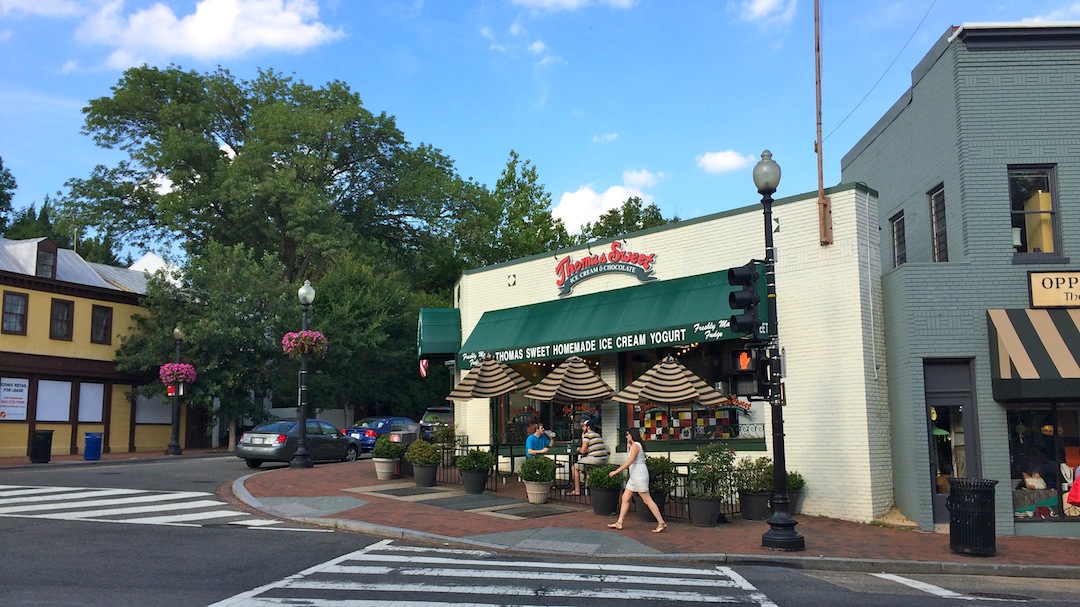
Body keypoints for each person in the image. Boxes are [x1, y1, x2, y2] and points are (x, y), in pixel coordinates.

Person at [606, 427, 666, 533]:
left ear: (632, 435)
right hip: (634, 476)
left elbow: (630, 461)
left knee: (647, 499)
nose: (626, 436)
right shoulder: (633, 445)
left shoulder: (636, 445)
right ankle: (619, 522)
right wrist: (627, 446)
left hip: (639, 475)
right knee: (625, 497)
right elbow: (629, 458)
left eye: (627, 434)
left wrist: (616, 471)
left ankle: (661, 522)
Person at [569, 418, 609, 496]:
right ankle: (588, 486)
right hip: (604, 459)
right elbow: (591, 449)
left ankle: (577, 490)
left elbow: (583, 451)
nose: (582, 428)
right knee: (588, 467)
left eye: (584, 426)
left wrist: (578, 449)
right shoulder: (597, 435)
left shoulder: (588, 435)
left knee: (574, 467)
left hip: (595, 459)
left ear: (588, 427)